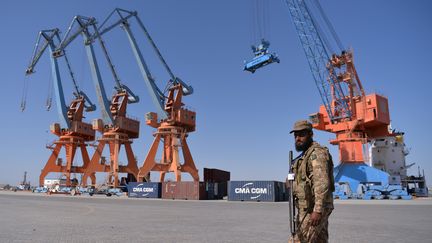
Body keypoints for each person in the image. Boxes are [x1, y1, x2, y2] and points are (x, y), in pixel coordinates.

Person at [289, 120, 335, 243]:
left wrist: (317, 210)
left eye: (302, 135)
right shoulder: (302, 157)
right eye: (296, 136)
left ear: (311, 134)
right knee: (320, 240)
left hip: (313, 209)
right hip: (308, 207)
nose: (298, 138)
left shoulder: (317, 153)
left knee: (299, 240)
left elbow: (322, 183)